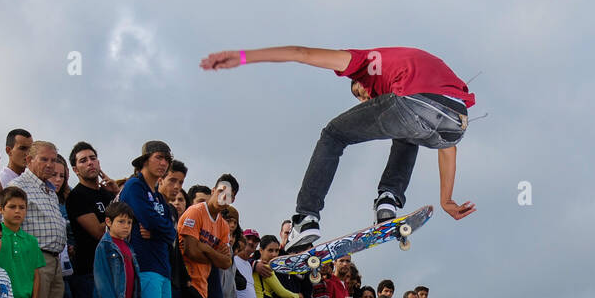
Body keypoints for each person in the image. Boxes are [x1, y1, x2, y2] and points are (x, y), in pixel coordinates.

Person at [201, 45, 475, 251]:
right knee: (405, 132)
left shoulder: (364, 60)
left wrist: (245, 56)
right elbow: (449, 148)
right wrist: (446, 198)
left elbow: (302, 53)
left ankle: (305, 218)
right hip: (456, 121)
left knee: (333, 134)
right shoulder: (410, 65)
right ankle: (388, 201)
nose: (365, 101)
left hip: (414, 104)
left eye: (362, 94)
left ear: (360, 81)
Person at [117, 141, 177, 298]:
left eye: (167, 159)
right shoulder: (135, 186)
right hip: (144, 263)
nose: (163, 163)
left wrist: (161, 231)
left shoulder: (159, 195)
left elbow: (170, 229)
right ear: (145, 160)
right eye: (159, 158)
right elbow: (148, 218)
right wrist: (160, 229)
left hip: (161, 266)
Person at [10, 142, 66, 298]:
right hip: (34, 261)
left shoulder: (49, 190)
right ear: (29, 160)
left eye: (53, 160)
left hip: (55, 261)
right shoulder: (18, 187)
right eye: (44, 159)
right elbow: (13, 228)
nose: (50, 165)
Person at [65, 141, 116, 298]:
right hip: (87, 273)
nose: (90, 163)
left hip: (113, 275)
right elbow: (99, 232)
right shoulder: (77, 197)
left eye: (93, 158)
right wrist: (118, 212)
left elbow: (126, 230)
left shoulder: (109, 196)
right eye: (83, 160)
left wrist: (116, 195)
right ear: (75, 169)